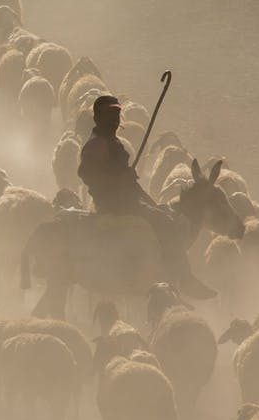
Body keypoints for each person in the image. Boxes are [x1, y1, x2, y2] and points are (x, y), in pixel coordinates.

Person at [77, 94, 216, 299]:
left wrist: (150, 202)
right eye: (110, 114)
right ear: (98, 117)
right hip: (113, 203)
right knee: (166, 224)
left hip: (124, 199)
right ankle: (185, 279)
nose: (115, 119)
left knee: (161, 214)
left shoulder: (111, 142)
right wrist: (116, 178)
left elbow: (130, 183)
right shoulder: (97, 144)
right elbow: (86, 173)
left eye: (117, 114)